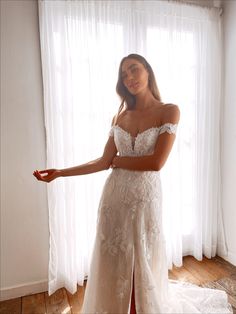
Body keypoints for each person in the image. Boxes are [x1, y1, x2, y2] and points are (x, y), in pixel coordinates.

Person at [34, 54, 232, 314]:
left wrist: (117, 160)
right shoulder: (119, 118)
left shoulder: (169, 111)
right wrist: (60, 172)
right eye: (124, 74)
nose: (129, 77)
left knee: (143, 258)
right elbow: (103, 161)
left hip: (145, 198)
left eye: (134, 69)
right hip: (114, 198)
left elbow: (156, 162)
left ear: (148, 71)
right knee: (115, 258)